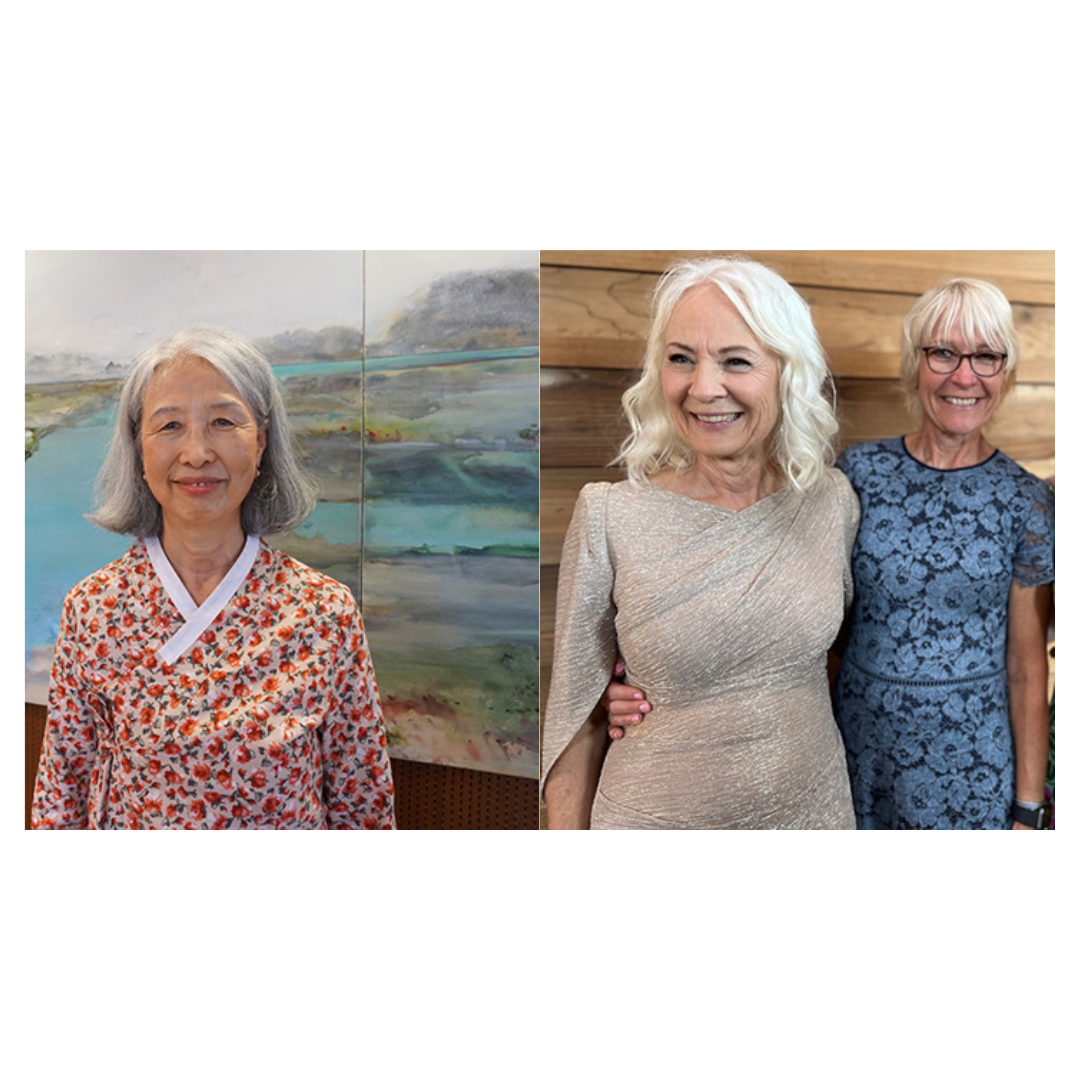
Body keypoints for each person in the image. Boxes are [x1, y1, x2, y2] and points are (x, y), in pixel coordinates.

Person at [605, 278, 1054, 830]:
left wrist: (1028, 808)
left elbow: (1026, 667)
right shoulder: (857, 477)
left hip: (971, 764)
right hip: (855, 751)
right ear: (914, 363)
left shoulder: (1026, 500)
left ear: (1006, 372)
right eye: (943, 352)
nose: (964, 376)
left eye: (986, 356)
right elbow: (785, 604)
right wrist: (645, 677)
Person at [31, 328, 395, 829]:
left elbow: (363, 806)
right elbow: (61, 794)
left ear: (261, 440)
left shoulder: (322, 611)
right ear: (139, 448)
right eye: (170, 426)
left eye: (223, 421)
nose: (197, 452)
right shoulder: (93, 608)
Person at [542, 257, 860, 829]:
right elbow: (575, 718)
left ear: (787, 371)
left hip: (814, 815)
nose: (704, 388)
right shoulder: (611, 515)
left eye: (735, 361)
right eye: (681, 359)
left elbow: (842, 653)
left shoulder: (831, 502)